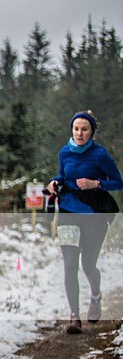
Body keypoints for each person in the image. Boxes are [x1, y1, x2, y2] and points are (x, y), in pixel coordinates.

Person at [46, 110, 122, 334]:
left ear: (91, 132)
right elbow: (62, 176)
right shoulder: (64, 153)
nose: (79, 133)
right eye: (76, 129)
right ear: (72, 130)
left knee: (88, 265)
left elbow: (118, 182)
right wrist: (54, 183)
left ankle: (96, 296)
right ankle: (74, 316)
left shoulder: (100, 155)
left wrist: (95, 183)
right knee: (70, 265)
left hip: (93, 216)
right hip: (68, 212)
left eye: (84, 129)